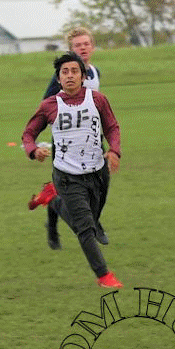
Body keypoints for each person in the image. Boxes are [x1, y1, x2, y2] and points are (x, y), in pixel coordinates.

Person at [21, 52, 123, 289]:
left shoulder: (98, 100)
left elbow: (112, 127)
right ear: (58, 78)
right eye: (64, 72)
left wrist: (114, 151)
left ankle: (53, 200)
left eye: (74, 71)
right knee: (85, 228)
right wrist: (33, 150)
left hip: (98, 172)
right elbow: (28, 134)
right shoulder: (49, 105)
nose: (69, 76)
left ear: (83, 76)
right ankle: (104, 276)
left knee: (89, 222)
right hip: (67, 175)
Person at [29, 27, 109, 247]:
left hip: (92, 138)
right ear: (71, 50)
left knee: (100, 181)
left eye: (86, 44)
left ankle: (92, 220)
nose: (82, 48)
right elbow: (46, 105)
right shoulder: (64, 76)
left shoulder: (95, 72)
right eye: (77, 45)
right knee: (69, 187)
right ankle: (55, 223)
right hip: (66, 141)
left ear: (92, 47)